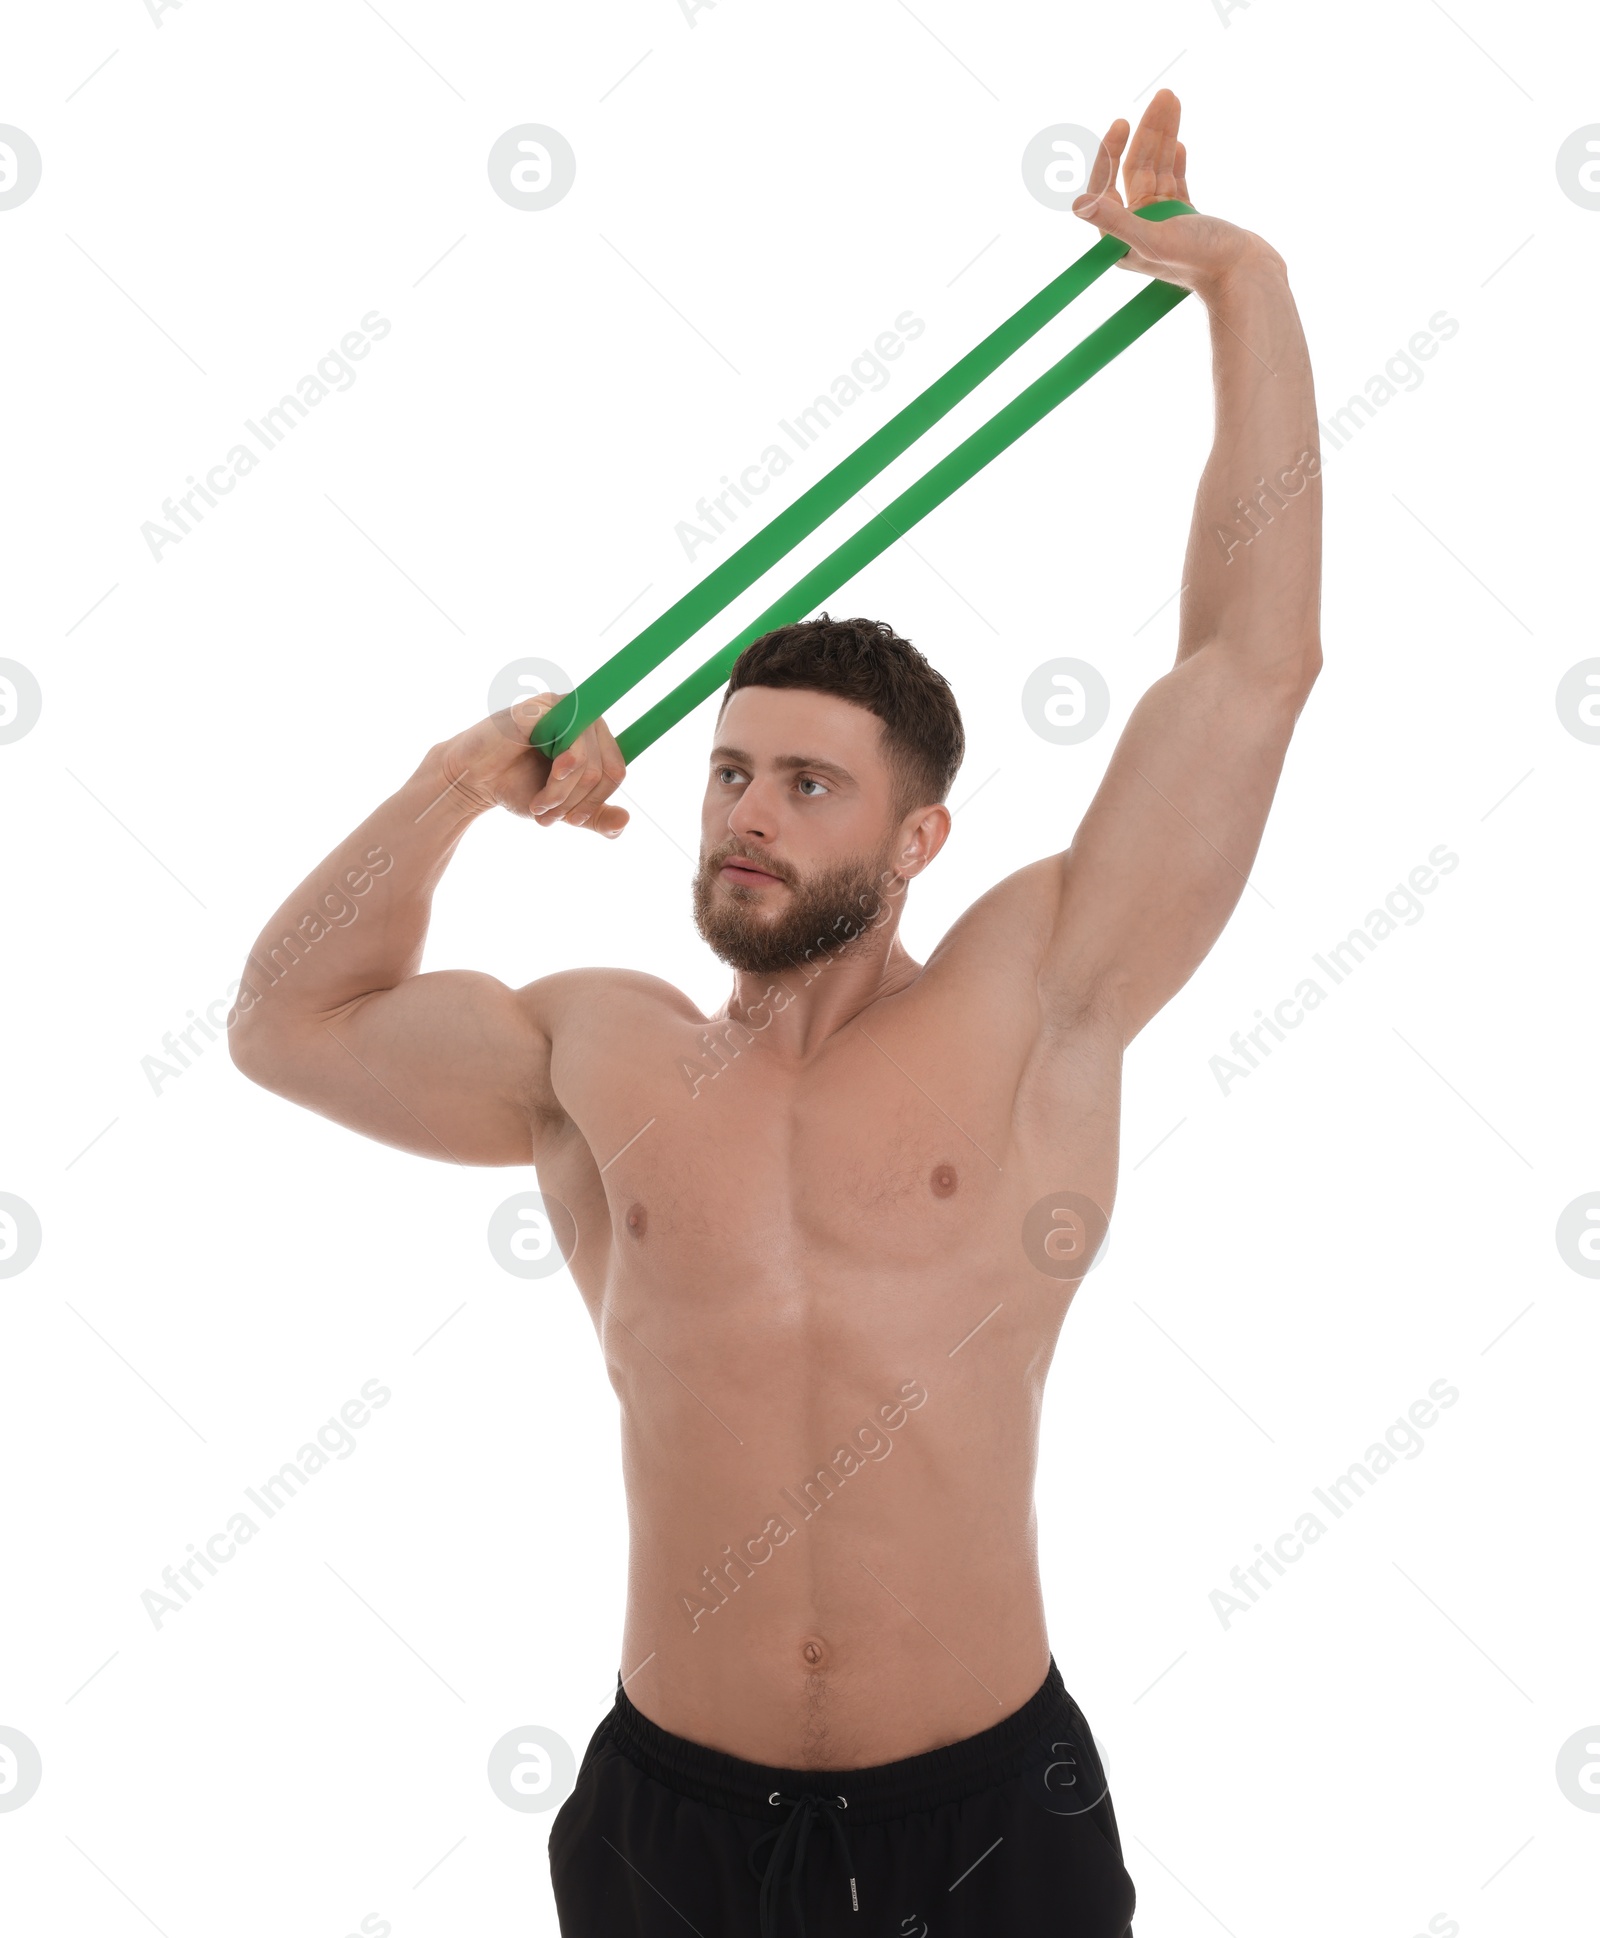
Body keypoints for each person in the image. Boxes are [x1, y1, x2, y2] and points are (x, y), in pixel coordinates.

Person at [229, 89, 1320, 1938]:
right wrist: (451, 782)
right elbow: (288, 1020)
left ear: (921, 833)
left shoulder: (1038, 992)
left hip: (987, 1811)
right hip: (676, 1818)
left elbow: (1250, 664)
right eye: (733, 769)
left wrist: (1244, 285)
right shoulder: (600, 1048)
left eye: (809, 784)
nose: (747, 806)